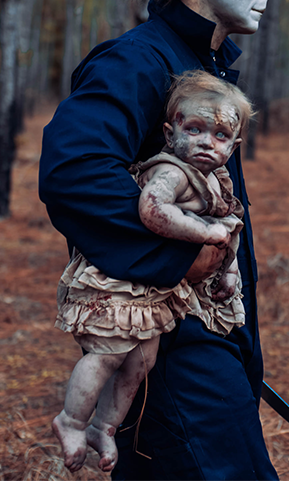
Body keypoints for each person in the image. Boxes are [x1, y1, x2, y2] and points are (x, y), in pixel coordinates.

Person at [39, 0, 280, 478]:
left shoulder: (201, 65)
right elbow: (74, 170)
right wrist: (180, 259)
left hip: (204, 337)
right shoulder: (138, 60)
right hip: (173, 351)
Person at [52, 71, 253, 472]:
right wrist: (204, 231)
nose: (205, 143)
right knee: (108, 354)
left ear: (235, 145)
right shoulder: (174, 172)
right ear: (170, 130)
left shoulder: (218, 180)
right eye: (193, 128)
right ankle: (71, 421)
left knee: (141, 361)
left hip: (156, 294)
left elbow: (232, 227)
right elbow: (152, 209)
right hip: (124, 286)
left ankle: (104, 427)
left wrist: (230, 271)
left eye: (220, 136)